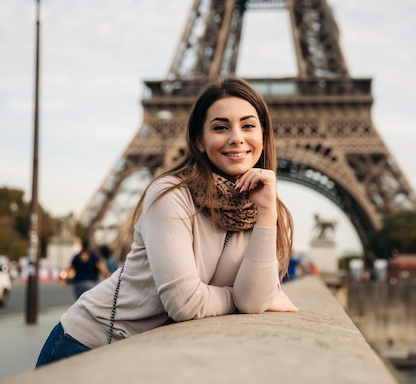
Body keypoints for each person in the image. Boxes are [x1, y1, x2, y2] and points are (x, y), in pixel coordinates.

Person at [36, 76, 298, 367]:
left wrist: (267, 213)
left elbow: (253, 301)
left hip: (147, 355)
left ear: (263, 136)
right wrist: (237, 297)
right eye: (221, 127)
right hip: (87, 344)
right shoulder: (170, 194)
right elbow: (186, 303)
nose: (236, 137)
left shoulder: (263, 207)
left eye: (248, 125)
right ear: (199, 139)